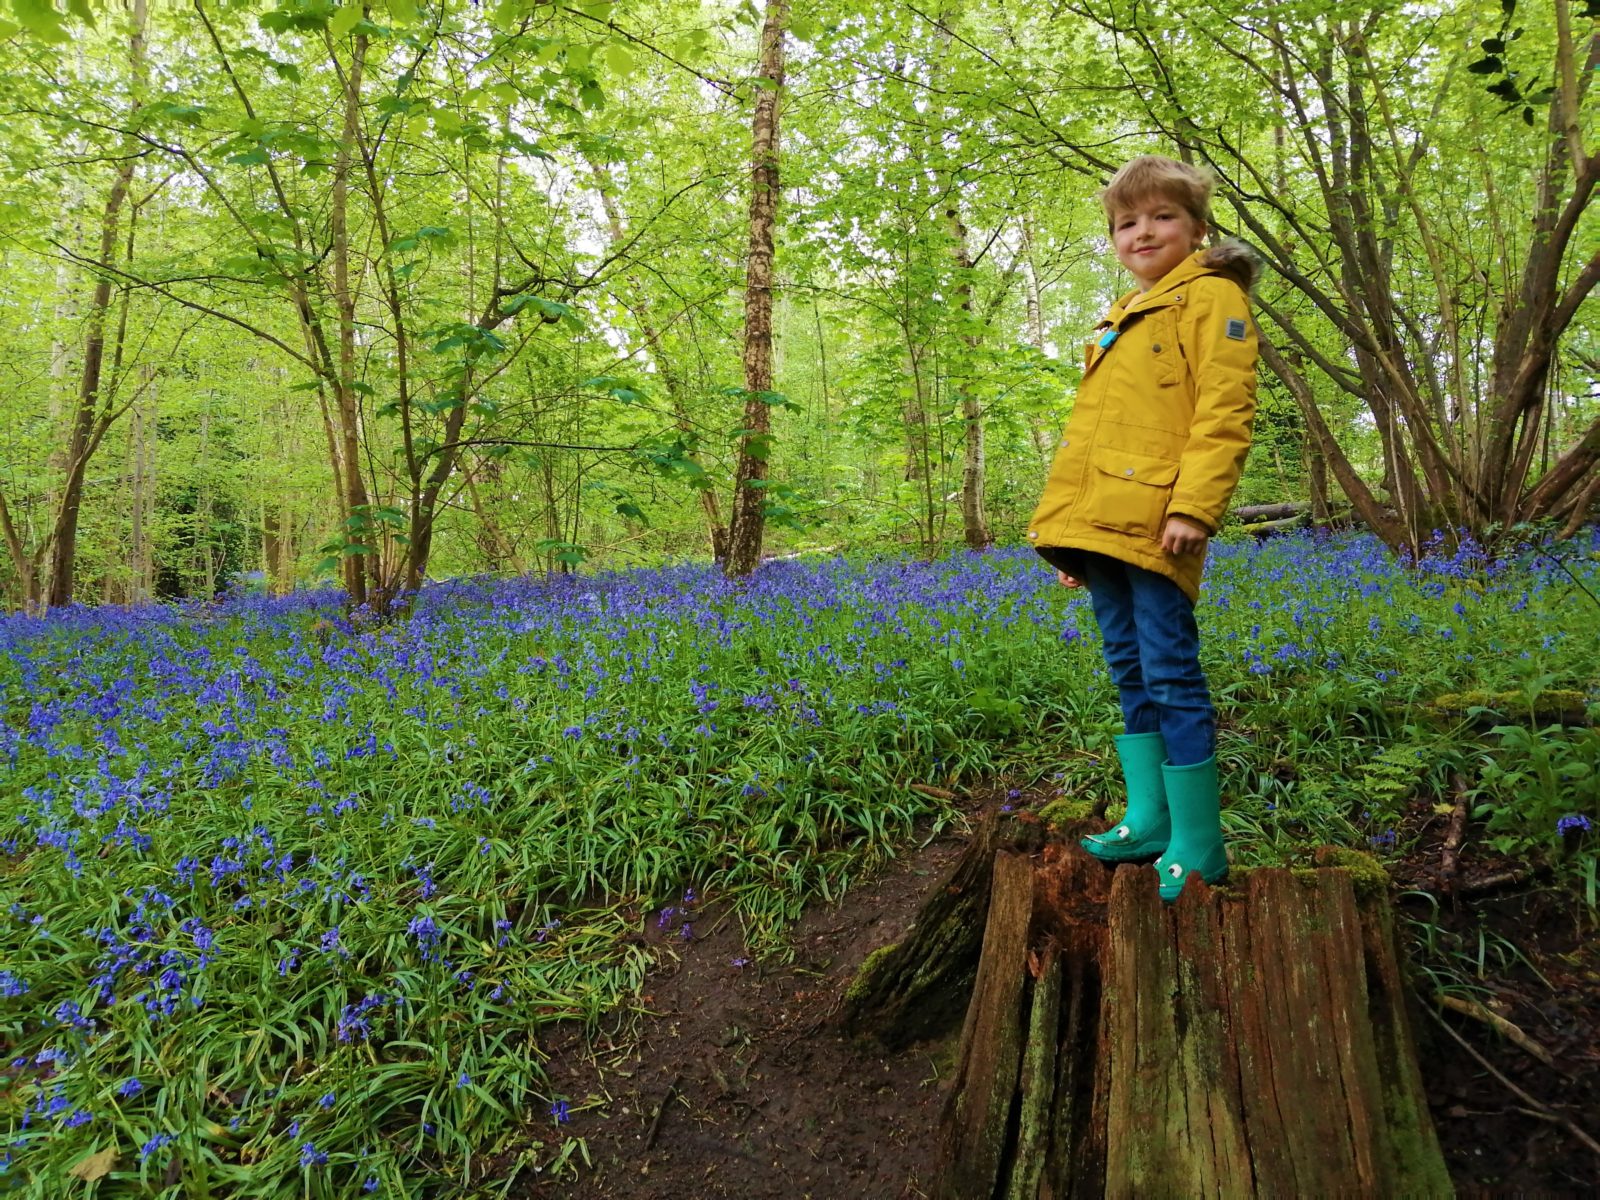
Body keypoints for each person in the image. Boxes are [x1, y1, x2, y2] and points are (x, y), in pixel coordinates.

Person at [1027, 155, 1260, 901]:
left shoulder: (1213, 298)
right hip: (1108, 532)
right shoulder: (1118, 318)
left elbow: (1224, 412)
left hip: (1163, 524)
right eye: (1127, 222)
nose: (1143, 232)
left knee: (1170, 673)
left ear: (1197, 228)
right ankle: (1152, 817)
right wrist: (1077, 543)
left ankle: (1199, 841)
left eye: (1162, 216)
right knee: (1129, 671)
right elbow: (1096, 443)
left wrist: (1195, 505)